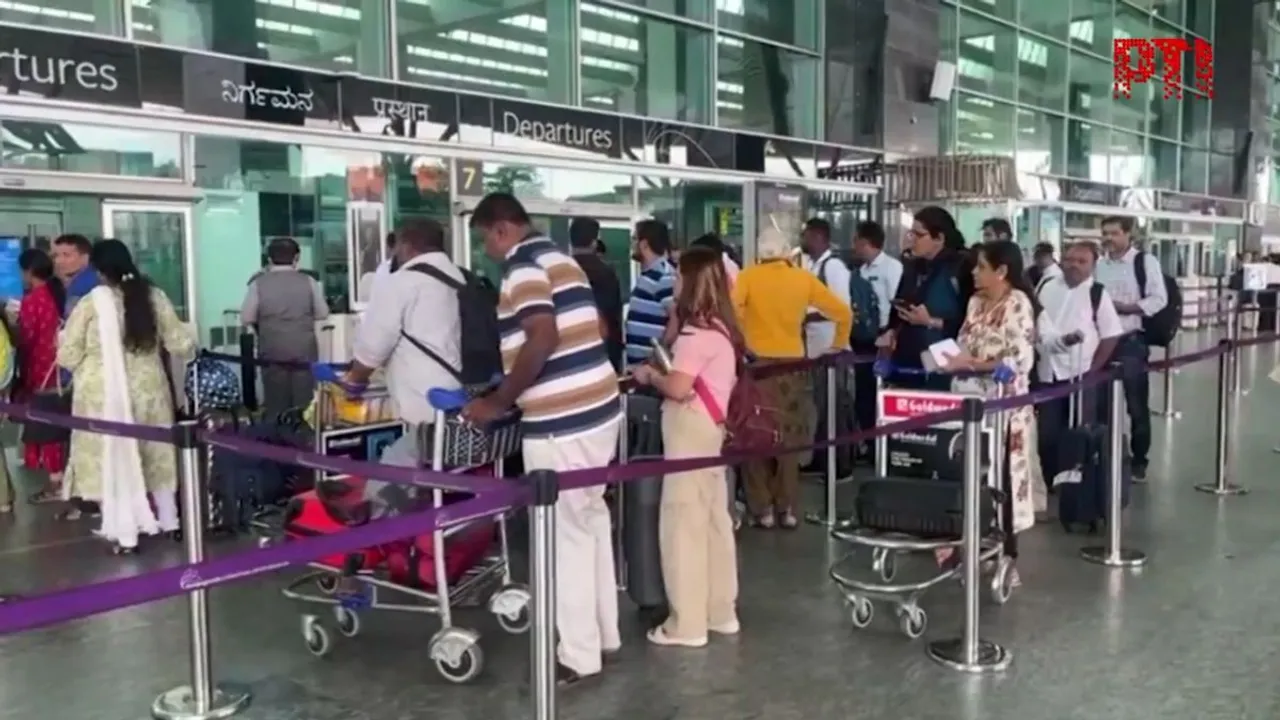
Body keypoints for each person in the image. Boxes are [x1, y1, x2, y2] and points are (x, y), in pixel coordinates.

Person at [463, 193, 621, 687]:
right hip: (599, 409)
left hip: (562, 423)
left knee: (564, 539)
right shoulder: (563, 260)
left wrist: (498, 401)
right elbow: (593, 326)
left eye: (485, 239)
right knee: (590, 521)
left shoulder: (522, 267)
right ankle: (602, 633)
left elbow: (543, 335)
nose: (487, 250)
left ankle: (577, 655)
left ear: (502, 230)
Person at [631, 247, 740, 648]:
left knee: (682, 524)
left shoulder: (696, 336)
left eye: (679, 277)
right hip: (712, 429)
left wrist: (650, 376)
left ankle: (687, 623)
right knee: (713, 520)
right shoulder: (722, 330)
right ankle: (719, 610)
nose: (673, 282)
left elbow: (678, 387)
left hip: (689, 430)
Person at [56, 239, 196, 553]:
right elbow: (180, 344)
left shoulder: (93, 301)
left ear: (99, 270)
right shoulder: (153, 296)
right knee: (155, 453)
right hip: (149, 388)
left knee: (110, 457)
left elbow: (67, 355)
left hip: (102, 393)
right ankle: (170, 520)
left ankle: (122, 531)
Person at [340, 219, 463, 517]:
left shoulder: (403, 282)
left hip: (425, 399)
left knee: (402, 458)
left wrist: (353, 380)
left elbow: (373, 345)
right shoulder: (460, 279)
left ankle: (382, 526)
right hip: (461, 397)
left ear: (406, 245)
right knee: (424, 457)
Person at [732, 226, 852, 529]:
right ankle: (787, 509)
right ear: (787, 251)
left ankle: (762, 510)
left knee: (754, 434)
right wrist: (837, 345)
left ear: (760, 252)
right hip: (793, 367)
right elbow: (843, 312)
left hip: (757, 367)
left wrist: (745, 339)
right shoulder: (802, 278)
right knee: (789, 439)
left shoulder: (747, 277)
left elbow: (731, 315)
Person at [938, 240, 1038, 576]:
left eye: (981, 266)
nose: (974, 272)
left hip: (1004, 406)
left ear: (1001, 271)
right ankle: (967, 542)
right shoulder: (975, 302)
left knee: (1004, 477)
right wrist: (949, 359)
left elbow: (1020, 359)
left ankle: (1007, 555)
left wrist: (975, 363)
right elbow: (965, 341)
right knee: (968, 472)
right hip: (967, 401)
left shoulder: (1018, 304)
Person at [1035, 242, 1124, 490]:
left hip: (1080, 374)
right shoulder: (1047, 286)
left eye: (1081, 261)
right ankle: (1051, 480)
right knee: (1047, 432)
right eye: (1069, 259)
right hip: (1047, 372)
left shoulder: (1097, 293)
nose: (1073, 265)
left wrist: (1093, 370)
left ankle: (1075, 483)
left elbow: (1111, 335)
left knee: (1077, 430)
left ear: (1093, 266)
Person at [1095, 216, 1166, 481]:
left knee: (1135, 404)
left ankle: (1139, 460)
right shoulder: (1099, 266)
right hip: (1103, 342)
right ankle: (1104, 455)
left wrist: (1125, 308)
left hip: (1131, 341)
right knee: (1101, 404)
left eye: (1114, 233)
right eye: (1105, 233)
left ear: (1128, 235)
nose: (1108, 238)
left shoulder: (1143, 262)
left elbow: (1159, 299)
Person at [880, 206, 973, 390]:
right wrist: (892, 330)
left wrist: (930, 321)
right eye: (910, 233)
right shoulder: (913, 267)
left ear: (939, 238)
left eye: (918, 234)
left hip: (943, 359)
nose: (912, 240)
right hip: (907, 360)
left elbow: (970, 320)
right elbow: (898, 305)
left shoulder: (961, 268)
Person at [241, 237, 330, 421]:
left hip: (272, 349)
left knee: (276, 401)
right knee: (304, 401)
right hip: (304, 350)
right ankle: (304, 439)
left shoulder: (258, 283)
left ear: (269, 259)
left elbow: (247, 317)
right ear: (297, 258)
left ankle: (278, 440)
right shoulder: (309, 281)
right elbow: (323, 313)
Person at [16, 249, 68, 506]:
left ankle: (56, 482)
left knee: (46, 426)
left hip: (40, 370)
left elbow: (26, 339)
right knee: (60, 425)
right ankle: (61, 477)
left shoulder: (33, 299)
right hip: (62, 369)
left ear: (28, 272)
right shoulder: (59, 294)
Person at [852, 220, 903, 434]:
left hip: (883, 337)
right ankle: (867, 438)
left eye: (857, 241)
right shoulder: (860, 271)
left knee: (880, 389)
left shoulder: (892, 267)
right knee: (863, 390)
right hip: (862, 337)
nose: (854, 246)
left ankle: (881, 440)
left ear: (866, 243)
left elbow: (896, 303)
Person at [570, 217, 625, 371]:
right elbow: (612, 315)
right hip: (602, 350)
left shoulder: (562, 271)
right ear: (594, 242)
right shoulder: (606, 273)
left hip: (570, 349)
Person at [624, 219, 676, 366]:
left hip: (652, 370)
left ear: (644, 244)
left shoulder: (664, 275)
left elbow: (676, 318)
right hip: (641, 370)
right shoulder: (649, 275)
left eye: (634, 239)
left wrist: (658, 355)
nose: (632, 244)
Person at [51, 234, 98, 315]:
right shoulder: (92, 277)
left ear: (85, 258)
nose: (58, 261)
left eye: (66, 255)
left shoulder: (81, 287)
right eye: (56, 256)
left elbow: (72, 323)